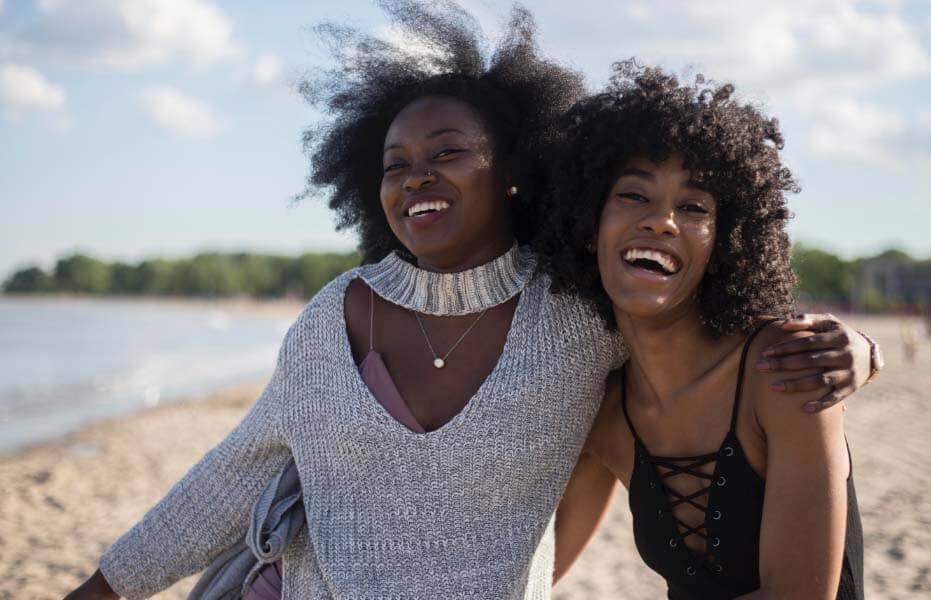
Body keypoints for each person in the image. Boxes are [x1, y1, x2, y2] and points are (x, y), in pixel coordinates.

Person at [64, 4, 875, 599]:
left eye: (449, 151)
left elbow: (690, 329)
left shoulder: (579, 317)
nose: (418, 174)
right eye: (395, 162)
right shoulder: (331, 318)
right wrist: (100, 590)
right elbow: (231, 478)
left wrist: (860, 352)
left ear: (514, 170)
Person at [543, 63, 867, 598]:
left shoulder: (783, 370)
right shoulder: (602, 413)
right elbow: (531, 571)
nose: (661, 221)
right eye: (633, 195)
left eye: (693, 207)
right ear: (586, 225)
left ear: (726, 245)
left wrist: (867, 351)